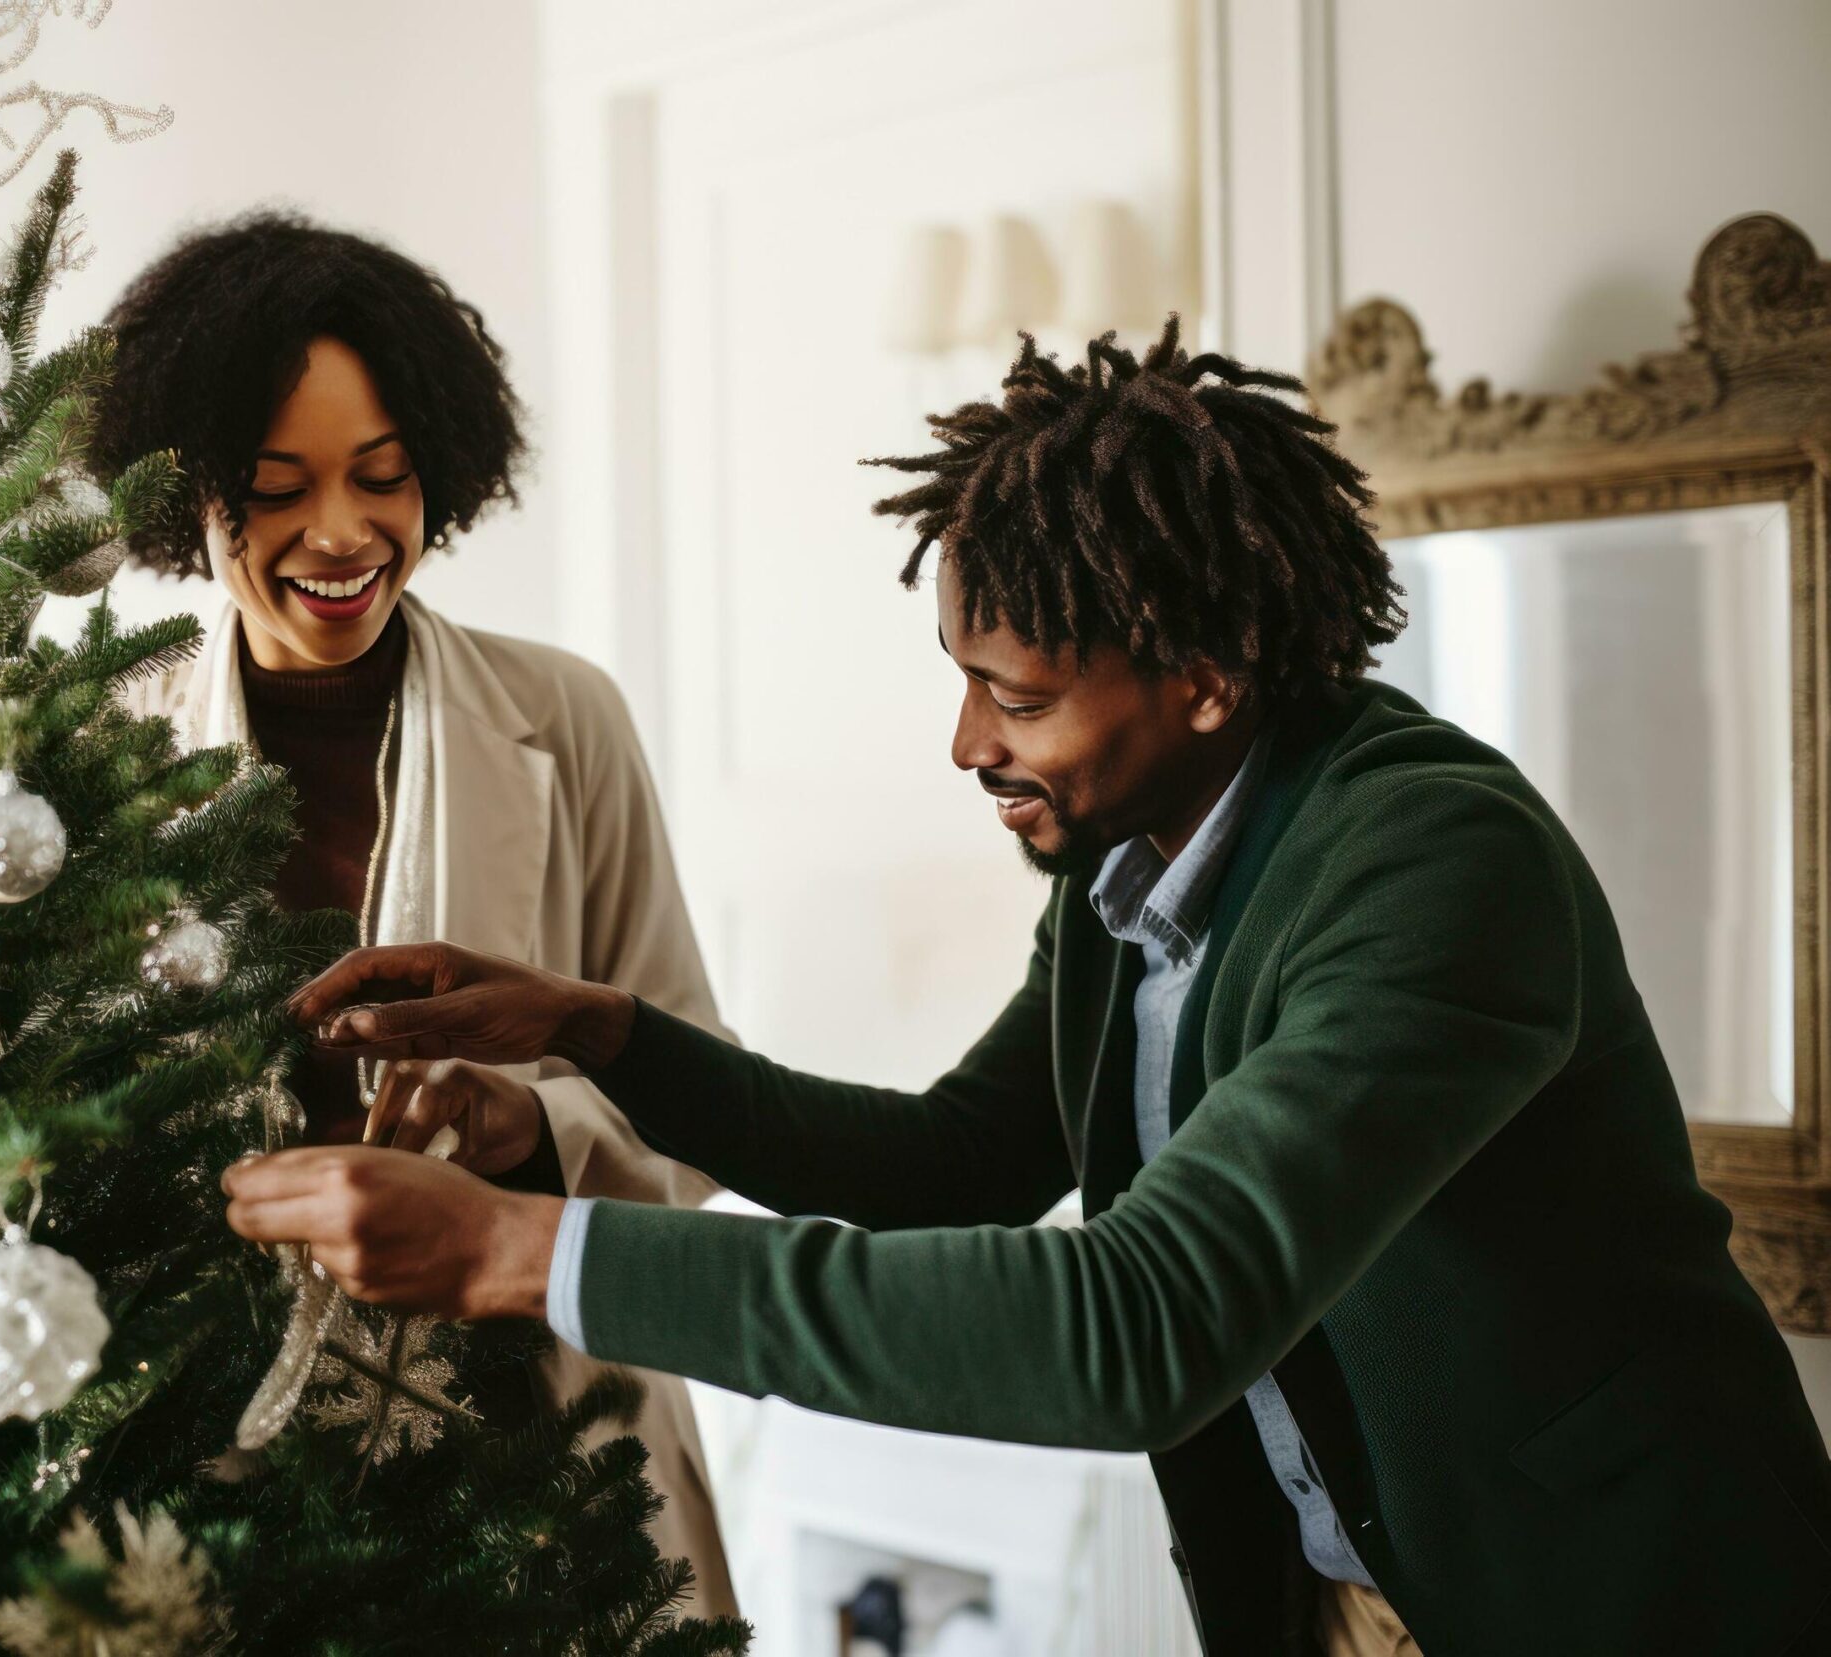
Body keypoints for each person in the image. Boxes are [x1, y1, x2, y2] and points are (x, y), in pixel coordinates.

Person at [223, 325, 1831, 1656]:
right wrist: (597, 1028)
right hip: (1338, 1604)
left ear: (1205, 673)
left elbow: (1143, 1319)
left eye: (1018, 695)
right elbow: (954, 1162)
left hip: (1625, 1602)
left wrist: (528, 1251)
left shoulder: (1433, 867)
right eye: (963, 680)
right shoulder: (1133, 859)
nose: (970, 746)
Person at [89, 213, 736, 1620]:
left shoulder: (567, 719)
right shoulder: (97, 751)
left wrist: (538, 1128)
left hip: (544, 1444)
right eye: (277, 488)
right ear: (191, 494)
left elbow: (696, 1079)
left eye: (385, 479)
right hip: (219, 1469)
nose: (344, 535)